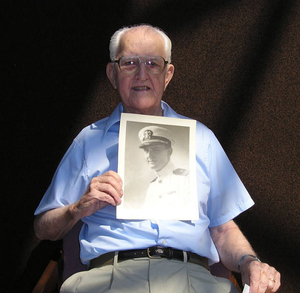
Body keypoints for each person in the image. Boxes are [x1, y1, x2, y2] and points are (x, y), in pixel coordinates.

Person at [34, 24, 281, 292]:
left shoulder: (201, 139)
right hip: (109, 279)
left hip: (192, 279)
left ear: (168, 74)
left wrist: (249, 262)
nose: (142, 74)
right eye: (129, 63)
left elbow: (223, 229)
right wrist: (77, 208)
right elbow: (43, 228)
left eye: (153, 64)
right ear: (112, 74)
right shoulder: (88, 141)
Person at [138, 125, 190, 210]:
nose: (149, 155)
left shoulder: (186, 179)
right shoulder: (153, 186)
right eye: (146, 150)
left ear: (169, 152)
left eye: (156, 150)